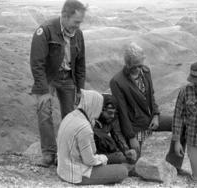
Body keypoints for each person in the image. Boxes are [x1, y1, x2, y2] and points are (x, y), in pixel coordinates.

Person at [109, 42, 188, 175]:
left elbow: (151, 96)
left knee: (182, 124)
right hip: (134, 126)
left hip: (150, 119)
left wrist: (156, 115)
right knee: (134, 167)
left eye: (141, 64)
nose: (140, 69)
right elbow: (122, 112)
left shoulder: (145, 71)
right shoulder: (117, 82)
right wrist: (131, 137)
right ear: (128, 64)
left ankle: (173, 165)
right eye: (136, 66)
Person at [30, 0, 86, 167]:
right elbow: (36, 63)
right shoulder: (45, 31)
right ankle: (48, 153)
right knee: (44, 112)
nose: (78, 26)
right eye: (76, 22)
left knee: (71, 116)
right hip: (49, 79)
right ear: (64, 16)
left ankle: (66, 153)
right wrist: (43, 89)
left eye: (80, 22)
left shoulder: (78, 34)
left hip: (68, 78)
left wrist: (80, 89)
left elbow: (81, 63)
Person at [57, 90, 128, 185]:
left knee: (115, 160)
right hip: (76, 174)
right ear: (95, 106)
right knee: (123, 171)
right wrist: (107, 158)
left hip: (63, 169)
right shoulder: (84, 127)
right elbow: (89, 161)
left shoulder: (70, 116)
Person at [94, 93, 137, 164]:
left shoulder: (112, 118)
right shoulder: (92, 119)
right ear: (101, 110)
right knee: (119, 158)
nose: (112, 116)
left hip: (103, 152)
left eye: (114, 113)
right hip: (91, 155)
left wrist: (126, 150)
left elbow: (117, 134)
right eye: (109, 113)